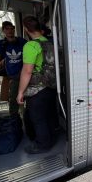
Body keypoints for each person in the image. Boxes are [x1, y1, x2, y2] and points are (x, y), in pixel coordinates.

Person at [17, 16, 57, 154]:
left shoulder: (31, 45)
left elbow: (27, 71)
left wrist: (20, 92)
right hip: (52, 86)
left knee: (38, 118)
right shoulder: (51, 43)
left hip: (37, 89)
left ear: (26, 30)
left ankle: (43, 145)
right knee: (50, 115)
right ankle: (52, 138)